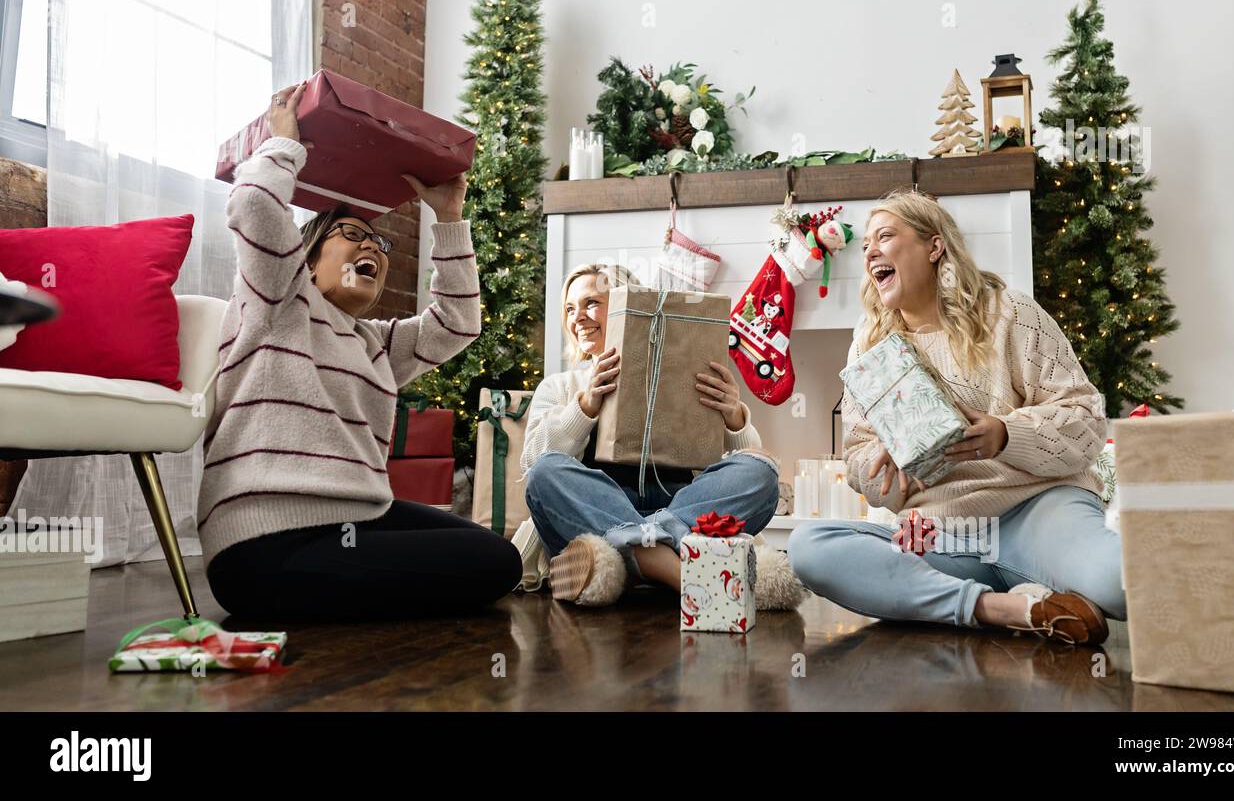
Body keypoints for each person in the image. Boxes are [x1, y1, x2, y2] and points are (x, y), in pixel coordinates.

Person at [201, 81, 520, 620]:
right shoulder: (277, 297)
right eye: (353, 234)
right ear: (307, 256)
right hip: (266, 543)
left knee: (500, 558)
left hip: (355, 522)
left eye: (381, 243)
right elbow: (254, 204)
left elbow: (457, 324)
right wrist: (285, 144)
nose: (373, 245)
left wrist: (448, 215)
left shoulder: (373, 342)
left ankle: (337, 592)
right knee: (488, 567)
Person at [788, 190, 1123, 645]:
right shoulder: (870, 348)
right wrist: (888, 468)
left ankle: (958, 601)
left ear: (933, 246)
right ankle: (1004, 608)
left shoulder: (1010, 312)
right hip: (941, 534)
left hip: (1038, 510)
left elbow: (1086, 420)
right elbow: (858, 460)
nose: (870, 252)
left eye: (885, 237)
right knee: (810, 549)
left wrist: (1005, 434)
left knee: (1122, 583)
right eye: (866, 244)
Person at [521, 264, 803, 610]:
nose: (577, 317)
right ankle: (672, 562)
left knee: (762, 473)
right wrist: (585, 406)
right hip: (596, 509)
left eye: (591, 303)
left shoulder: (686, 373)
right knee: (545, 474)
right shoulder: (559, 387)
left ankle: (639, 558)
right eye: (569, 308)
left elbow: (743, 463)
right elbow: (534, 462)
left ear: (629, 309)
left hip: (679, 504)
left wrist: (733, 417)